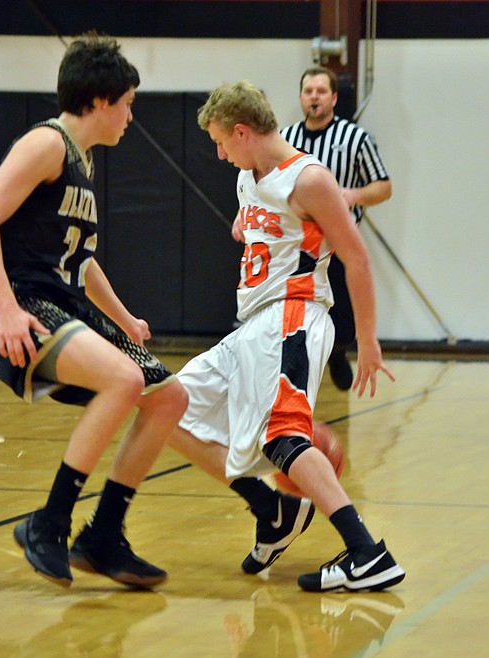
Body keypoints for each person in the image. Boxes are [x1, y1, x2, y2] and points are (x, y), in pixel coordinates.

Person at [168, 80, 405, 592]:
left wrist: (367, 341)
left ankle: (368, 554)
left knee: (282, 438)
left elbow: (357, 258)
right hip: (252, 325)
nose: (219, 154)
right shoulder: (247, 176)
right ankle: (273, 510)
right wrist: (248, 228)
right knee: (167, 406)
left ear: (242, 131)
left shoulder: (310, 179)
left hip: (294, 316)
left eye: (221, 142)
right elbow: (259, 223)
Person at [0, 33, 188, 588]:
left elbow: (82, 262)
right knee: (124, 379)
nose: (131, 116)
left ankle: (103, 534)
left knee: (169, 397)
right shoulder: (46, 144)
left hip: (62, 301)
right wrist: (6, 310)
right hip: (21, 299)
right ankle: (49, 523)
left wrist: (122, 318)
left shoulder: (82, 160)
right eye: (128, 103)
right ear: (99, 100)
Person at [234, 67, 392, 391]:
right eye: (308, 91)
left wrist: (352, 195)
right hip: (294, 245)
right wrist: (244, 213)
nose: (314, 97)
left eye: (321, 91)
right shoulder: (285, 138)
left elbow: (384, 186)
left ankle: (338, 351)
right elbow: (259, 182)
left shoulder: (355, 138)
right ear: (300, 97)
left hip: (336, 242)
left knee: (343, 322)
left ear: (334, 98)